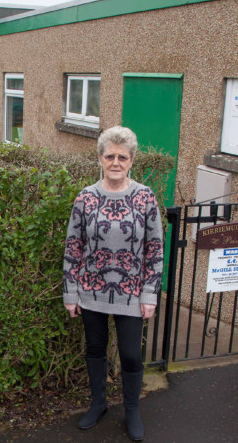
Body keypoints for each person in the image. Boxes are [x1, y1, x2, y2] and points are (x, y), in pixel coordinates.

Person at [62, 126, 164, 442]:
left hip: (132, 294)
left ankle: (131, 410)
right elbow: (73, 246)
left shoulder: (145, 197)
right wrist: (71, 291)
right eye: (110, 156)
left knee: (131, 355)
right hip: (91, 290)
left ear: (131, 160)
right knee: (95, 348)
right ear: (100, 159)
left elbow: (155, 247)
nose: (116, 162)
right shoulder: (86, 198)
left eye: (122, 156)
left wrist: (150, 293)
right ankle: (99, 404)